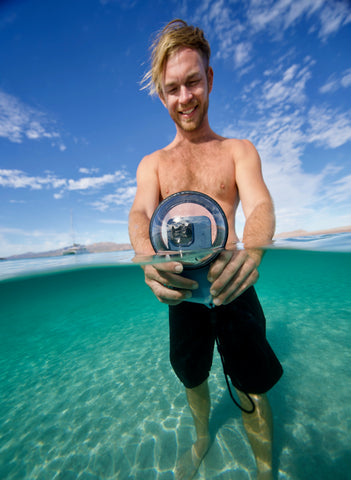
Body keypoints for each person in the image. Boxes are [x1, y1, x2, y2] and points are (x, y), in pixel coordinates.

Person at [128, 19, 283, 480]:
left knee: (253, 387)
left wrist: (252, 254)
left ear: (209, 80)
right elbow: (140, 215)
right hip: (183, 298)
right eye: (173, 88)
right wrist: (145, 259)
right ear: (162, 94)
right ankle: (201, 436)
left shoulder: (239, 150)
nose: (185, 97)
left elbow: (260, 205)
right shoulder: (152, 164)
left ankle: (264, 468)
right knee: (192, 379)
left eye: (193, 82)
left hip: (234, 288)